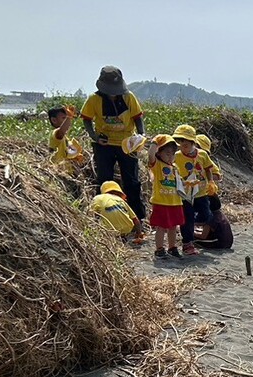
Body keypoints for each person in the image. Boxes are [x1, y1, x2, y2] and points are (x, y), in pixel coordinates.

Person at [80, 67, 147, 220]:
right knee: (105, 180)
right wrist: (95, 137)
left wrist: (141, 133)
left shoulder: (128, 97)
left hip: (127, 144)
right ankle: (102, 216)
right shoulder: (94, 99)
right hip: (104, 144)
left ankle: (137, 216)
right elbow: (87, 119)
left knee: (131, 181)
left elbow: (137, 116)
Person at [173, 125, 218, 256]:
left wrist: (210, 181)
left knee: (206, 215)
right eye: (180, 141)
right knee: (187, 219)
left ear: (193, 141)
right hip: (185, 194)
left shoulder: (202, 154)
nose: (182, 144)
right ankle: (187, 244)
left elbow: (209, 168)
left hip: (201, 192)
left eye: (185, 141)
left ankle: (193, 225)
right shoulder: (177, 156)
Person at [147, 134, 185, 259]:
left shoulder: (175, 168)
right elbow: (150, 156)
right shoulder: (157, 165)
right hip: (161, 201)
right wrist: (154, 142)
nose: (171, 156)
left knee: (173, 227)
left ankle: (172, 247)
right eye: (167, 153)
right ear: (159, 153)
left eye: (173, 153)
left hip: (175, 202)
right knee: (161, 227)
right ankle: (159, 248)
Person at [47, 105, 84, 173]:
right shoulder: (55, 134)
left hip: (67, 172)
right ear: (54, 120)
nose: (67, 120)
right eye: (64, 118)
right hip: (59, 171)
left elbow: (69, 153)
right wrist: (69, 117)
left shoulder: (65, 138)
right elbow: (61, 132)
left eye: (66, 117)